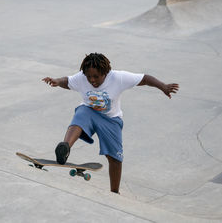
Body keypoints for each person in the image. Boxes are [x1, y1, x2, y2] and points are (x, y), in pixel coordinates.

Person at [42, 53, 179, 193]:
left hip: (112, 120)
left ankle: (114, 191)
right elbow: (68, 81)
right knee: (82, 112)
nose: (92, 80)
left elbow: (144, 78)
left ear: (105, 73)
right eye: (89, 76)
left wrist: (163, 86)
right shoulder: (82, 78)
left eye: (96, 76)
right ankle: (66, 147)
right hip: (90, 113)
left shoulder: (118, 77)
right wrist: (57, 81)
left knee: (115, 158)